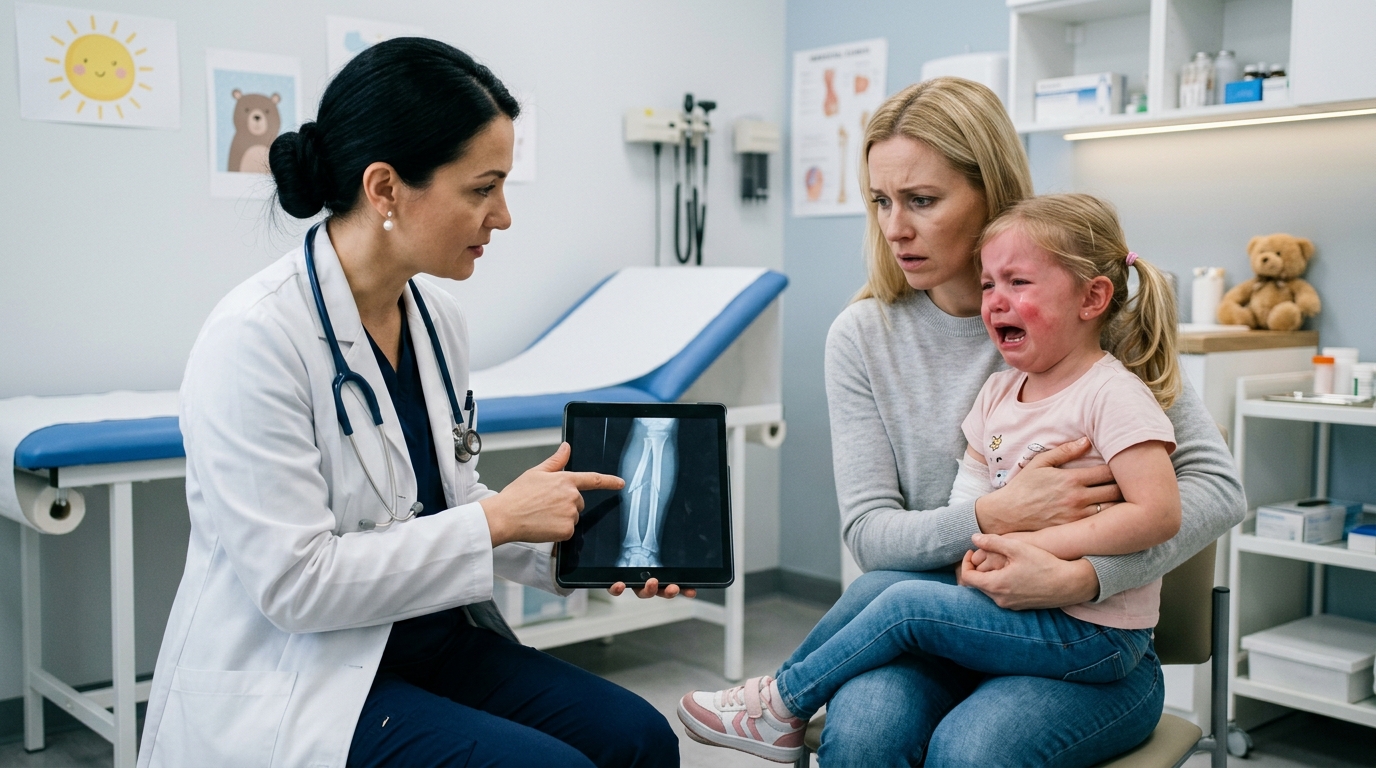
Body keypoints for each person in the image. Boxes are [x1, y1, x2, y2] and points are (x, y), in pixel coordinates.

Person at [137, 39, 685, 768]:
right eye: (482, 188)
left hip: (434, 638)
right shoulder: (255, 338)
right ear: (386, 188)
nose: (504, 216)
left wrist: (577, 551)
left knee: (640, 739)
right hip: (307, 670)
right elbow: (298, 586)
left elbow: (443, 505)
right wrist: (496, 519)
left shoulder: (435, 320)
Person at [700, 77, 1244, 767]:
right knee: (865, 736)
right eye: (880, 202)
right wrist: (997, 513)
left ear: (991, 194)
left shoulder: (1088, 322)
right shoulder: (862, 337)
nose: (895, 228)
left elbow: (1215, 490)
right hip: (945, 618)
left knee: (973, 750)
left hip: (1085, 641)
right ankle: (775, 706)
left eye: (922, 201)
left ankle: (775, 699)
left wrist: (1082, 575)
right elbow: (872, 536)